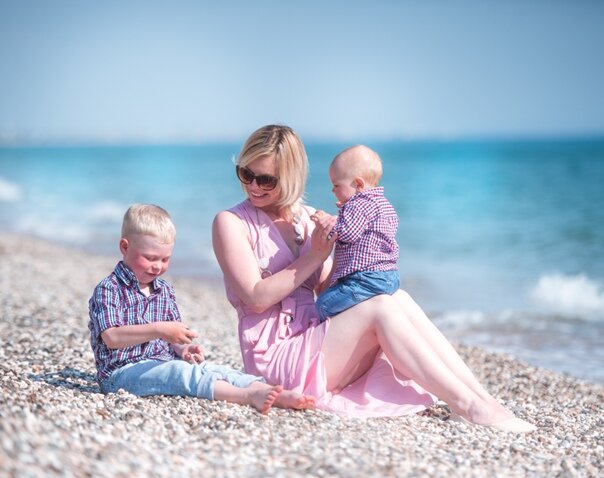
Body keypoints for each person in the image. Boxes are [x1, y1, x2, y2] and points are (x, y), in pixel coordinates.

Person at [212, 124, 536, 432]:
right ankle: (469, 406)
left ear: (291, 177)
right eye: (246, 174)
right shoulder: (231, 223)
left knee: (398, 298)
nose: (254, 186)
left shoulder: (307, 219)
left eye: (266, 180)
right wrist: (316, 255)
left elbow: (328, 289)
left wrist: (346, 249)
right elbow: (256, 298)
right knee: (380, 306)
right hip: (276, 359)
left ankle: (479, 397)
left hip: (317, 339)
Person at [88, 203, 316, 414]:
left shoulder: (164, 290)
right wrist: (159, 329)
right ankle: (246, 396)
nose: (157, 266)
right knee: (180, 373)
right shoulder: (109, 288)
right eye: (150, 258)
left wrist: (183, 349)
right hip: (121, 374)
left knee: (214, 368)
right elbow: (111, 337)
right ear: (125, 247)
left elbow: (172, 339)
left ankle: (267, 390)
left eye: (165, 259)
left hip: (161, 362)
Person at [315, 144, 400, 322]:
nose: (332, 190)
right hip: (389, 276)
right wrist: (345, 211)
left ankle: (356, 323)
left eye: (336, 185)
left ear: (358, 184)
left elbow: (348, 234)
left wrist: (327, 222)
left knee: (322, 305)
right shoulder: (384, 204)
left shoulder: (358, 204)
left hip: (365, 279)